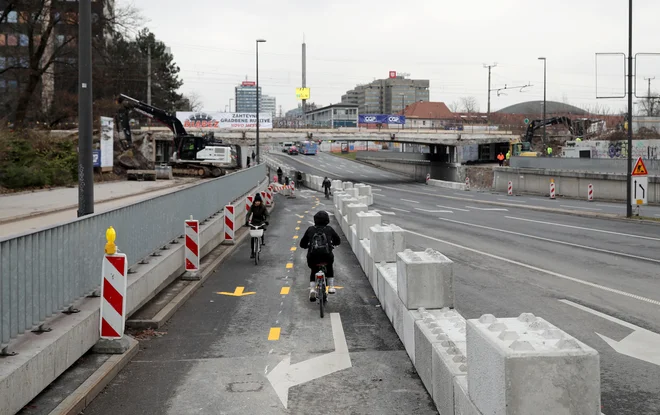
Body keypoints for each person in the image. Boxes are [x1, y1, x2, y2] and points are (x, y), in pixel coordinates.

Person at [300, 210, 341, 301]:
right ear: (327, 220)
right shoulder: (329, 229)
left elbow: (302, 243)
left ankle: (312, 289)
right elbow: (338, 240)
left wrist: (306, 246)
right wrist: (333, 244)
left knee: (313, 269)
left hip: (313, 257)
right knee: (329, 266)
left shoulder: (310, 229)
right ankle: (330, 287)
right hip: (327, 256)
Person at [245, 193, 269, 257]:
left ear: (260, 202)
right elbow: (248, 214)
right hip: (254, 222)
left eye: (258, 201)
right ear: (254, 202)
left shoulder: (263, 207)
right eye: (256, 201)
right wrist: (247, 221)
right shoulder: (252, 207)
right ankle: (252, 251)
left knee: (261, 231)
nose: (257, 202)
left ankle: (261, 241)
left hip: (261, 221)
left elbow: (267, 215)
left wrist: (266, 221)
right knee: (253, 237)